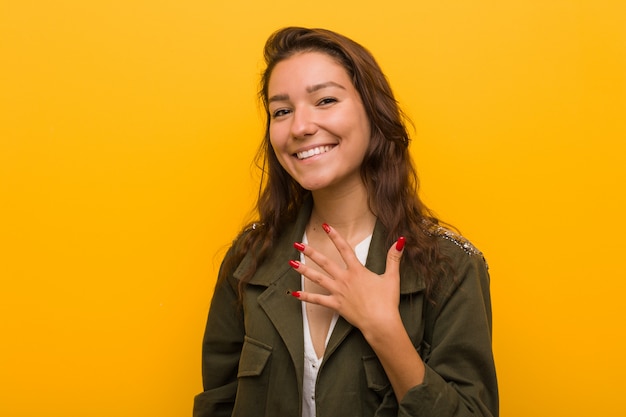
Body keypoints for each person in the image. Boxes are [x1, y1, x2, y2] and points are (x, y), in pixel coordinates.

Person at [193, 27, 498, 417]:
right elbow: (217, 403)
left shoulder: (451, 266)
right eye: (281, 111)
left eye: (325, 100)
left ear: (373, 111)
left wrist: (385, 329)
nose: (300, 127)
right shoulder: (249, 257)